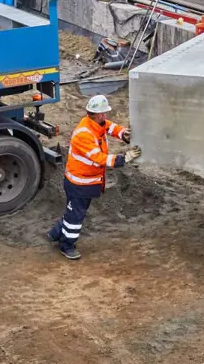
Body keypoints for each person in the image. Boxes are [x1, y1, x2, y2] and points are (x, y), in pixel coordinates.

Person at [46, 95, 136, 260]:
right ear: (95, 114)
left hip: (86, 182)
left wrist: (123, 133)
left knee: (74, 211)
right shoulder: (84, 135)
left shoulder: (95, 124)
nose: (105, 116)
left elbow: (109, 127)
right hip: (79, 184)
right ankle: (67, 246)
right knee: (75, 217)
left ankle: (55, 233)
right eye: (103, 114)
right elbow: (100, 158)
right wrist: (125, 158)